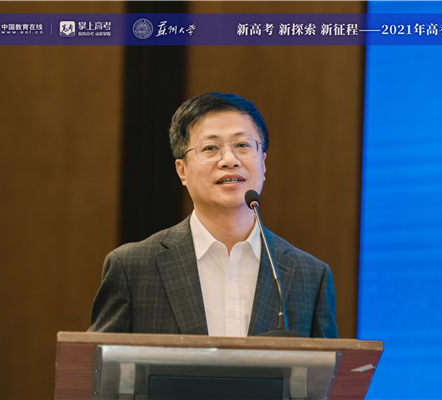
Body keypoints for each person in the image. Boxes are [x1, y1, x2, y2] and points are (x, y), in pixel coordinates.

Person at [88, 92, 338, 338]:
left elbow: (330, 365)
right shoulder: (133, 269)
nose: (229, 160)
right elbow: (98, 362)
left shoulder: (309, 276)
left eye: (242, 145)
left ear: (263, 163)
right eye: (210, 147)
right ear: (182, 171)